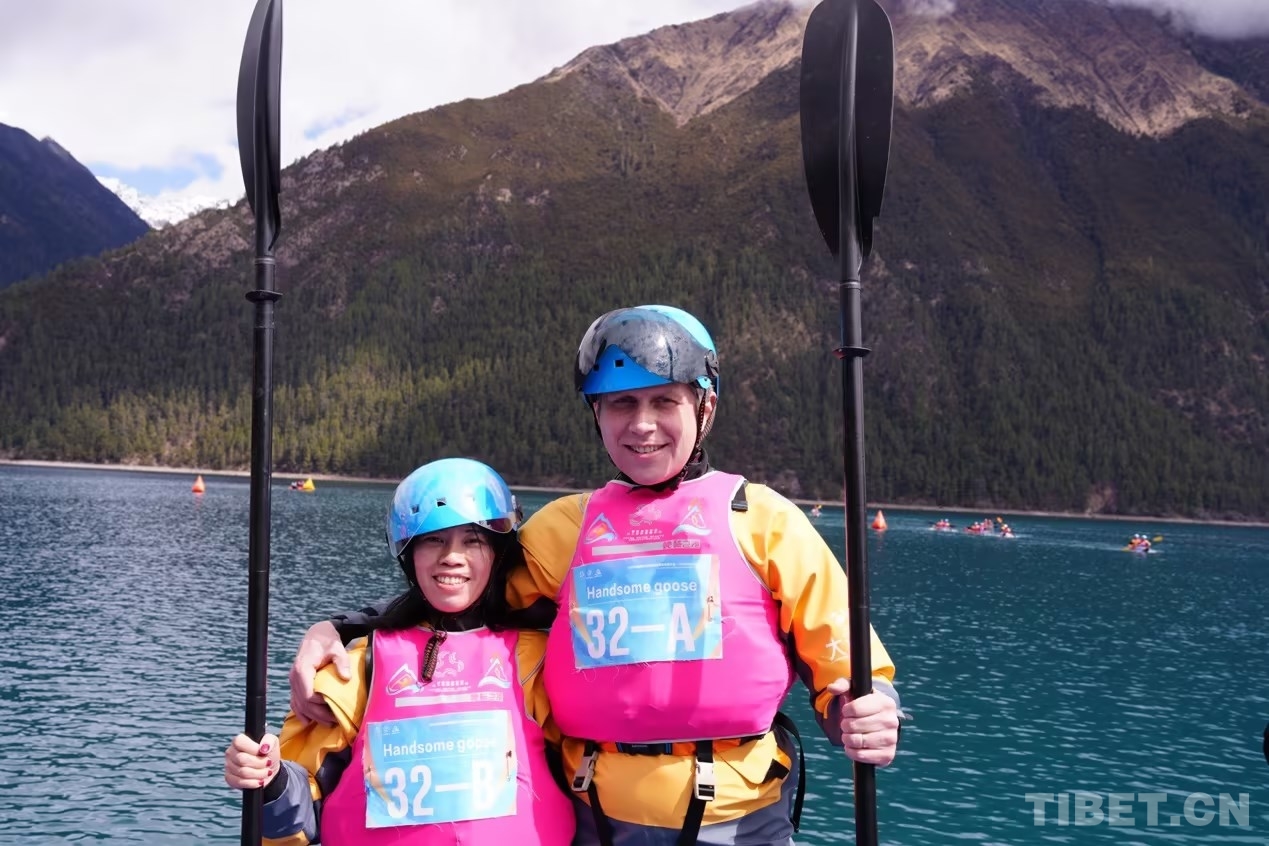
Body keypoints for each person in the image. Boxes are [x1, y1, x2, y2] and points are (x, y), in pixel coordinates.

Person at [290, 305, 904, 846]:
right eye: (621, 404)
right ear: (598, 414)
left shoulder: (763, 520)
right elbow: (461, 596)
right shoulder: (566, 527)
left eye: (664, 401)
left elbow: (845, 666)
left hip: (740, 820)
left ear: (705, 406)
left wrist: (863, 710)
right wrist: (338, 628)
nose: (642, 424)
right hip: (597, 821)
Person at [224, 458, 575, 845]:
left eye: (472, 540)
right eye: (433, 539)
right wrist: (271, 778)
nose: (451, 556)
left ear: (497, 554)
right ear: (410, 554)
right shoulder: (358, 666)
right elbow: (301, 812)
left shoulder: (535, 659)